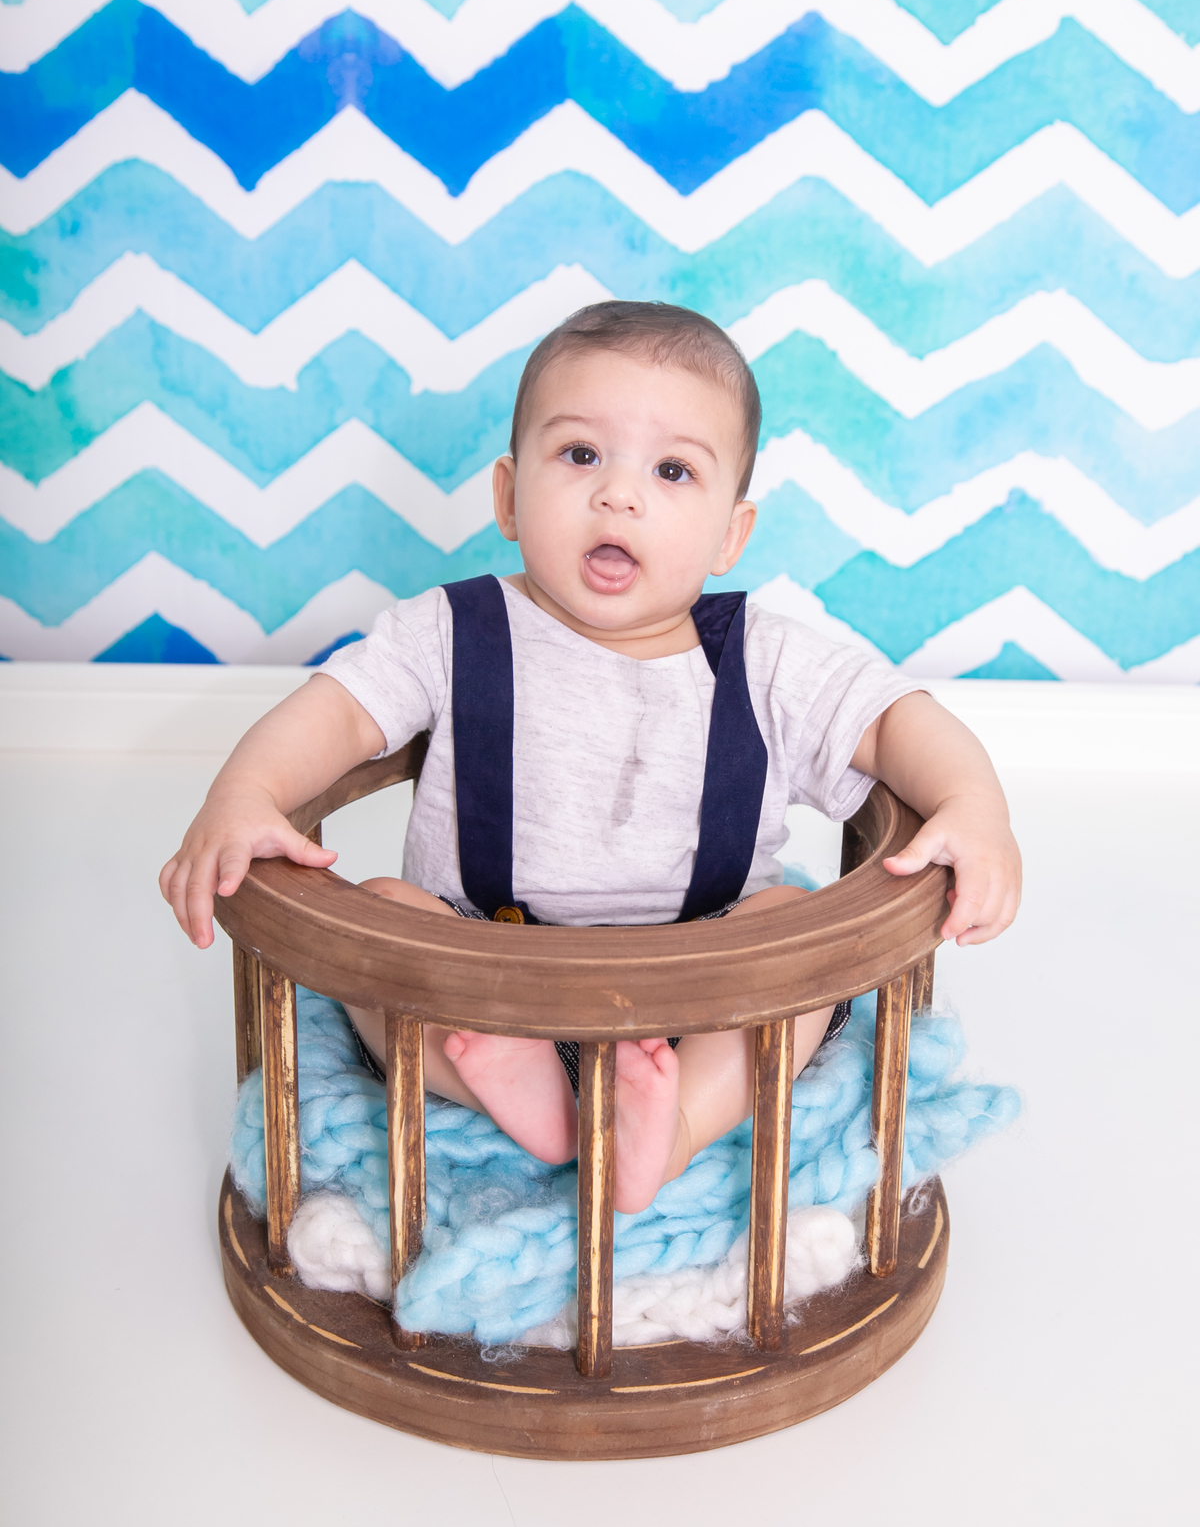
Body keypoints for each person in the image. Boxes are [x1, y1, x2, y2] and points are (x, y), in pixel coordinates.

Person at [160, 301, 1021, 1215]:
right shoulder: (452, 631)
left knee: (790, 931)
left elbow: (892, 723)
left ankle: (674, 1122)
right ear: (508, 496)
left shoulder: (764, 659)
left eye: (673, 470)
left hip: (705, 994)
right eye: (580, 455)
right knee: (384, 920)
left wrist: (975, 803)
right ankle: (533, 1094)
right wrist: (246, 790)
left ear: (731, 534)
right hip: (483, 980)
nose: (620, 495)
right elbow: (334, 714)